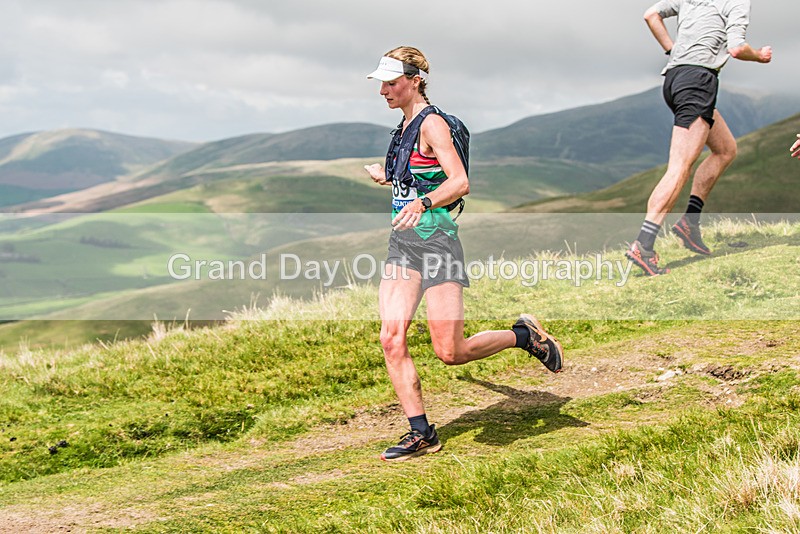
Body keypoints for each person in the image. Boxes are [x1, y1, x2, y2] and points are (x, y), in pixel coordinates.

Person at [363, 46, 564, 462]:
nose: (383, 89)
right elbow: (419, 177)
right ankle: (421, 433)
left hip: (438, 245)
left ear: (415, 80)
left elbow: (459, 183)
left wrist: (423, 203)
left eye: (391, 81)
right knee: (391, 337)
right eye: (380, 82)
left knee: (450, 352)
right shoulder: (401, 129)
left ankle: (524, 336)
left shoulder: (432, 124)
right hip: (403, 246)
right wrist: (392, 180)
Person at [626, 0, 772, 276]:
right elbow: (737, 48)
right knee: (679, 167)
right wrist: (760, 56)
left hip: (675, 77)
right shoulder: (737, 3)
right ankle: (643, 246)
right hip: (698, 82)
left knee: (726, 149)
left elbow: (651, 15)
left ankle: (689, 223)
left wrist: (672, 50)